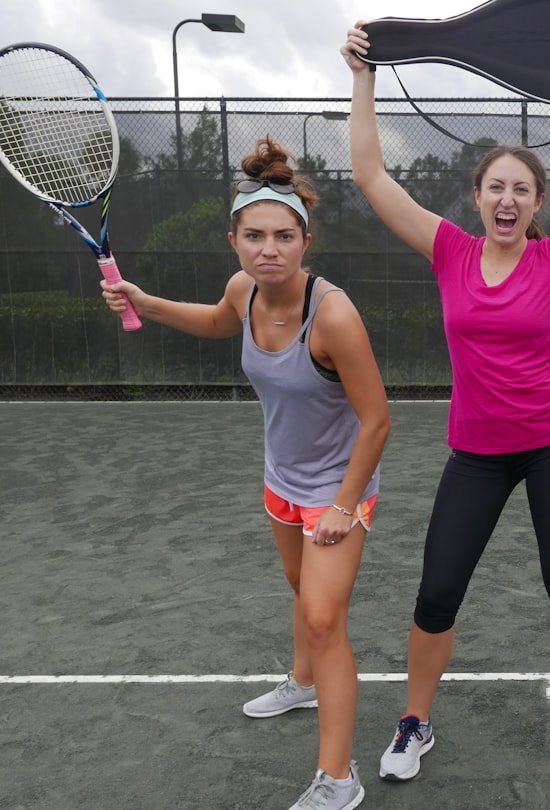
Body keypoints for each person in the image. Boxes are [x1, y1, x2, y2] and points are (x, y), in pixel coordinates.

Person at [340, 21, 550, 786]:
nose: (508, 198)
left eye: (522, 189)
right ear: (477, 194)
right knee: (437, 592)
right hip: (476, 456)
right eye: (496, 185)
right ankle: (414, 721)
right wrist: (366, 76)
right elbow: (370, 176)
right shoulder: (449, 250)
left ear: (536, 202)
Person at [100, 137, 391, 810]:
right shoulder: (244, 290)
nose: (268, 249)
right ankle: (303, 681)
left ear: (305, 240)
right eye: (254, 235)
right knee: (298, 588)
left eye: (283, 236)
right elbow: (214, 319)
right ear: (234, 240)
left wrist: (346, 506)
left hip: (337, 493)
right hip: (281, 482)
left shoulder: (335, 315)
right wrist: (145, 298)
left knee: (324, 619)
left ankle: (339, 780)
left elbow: (377, 421)